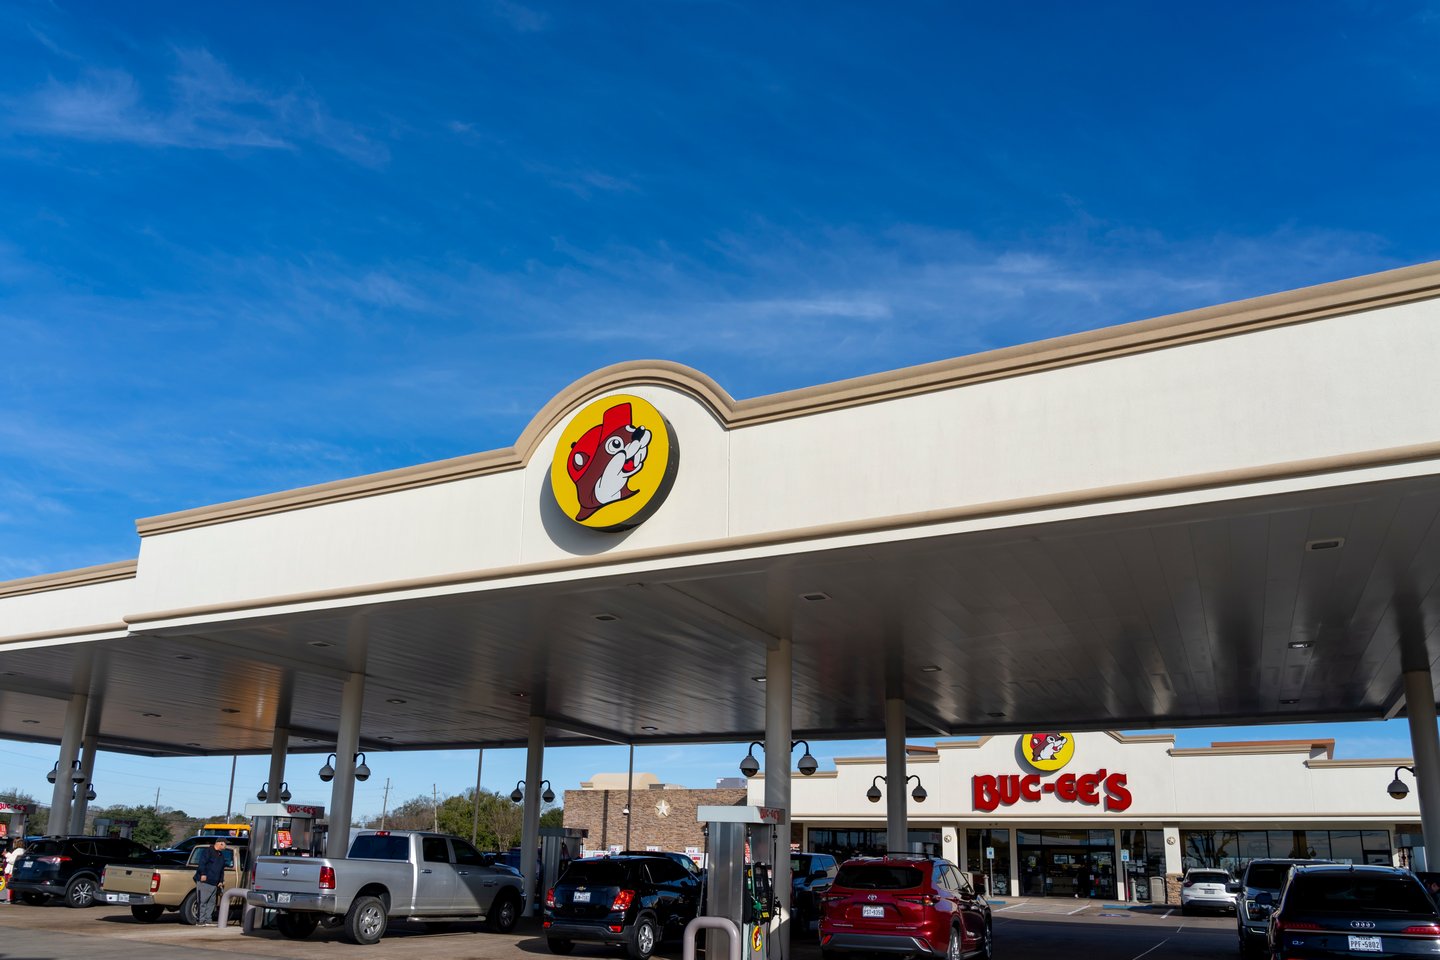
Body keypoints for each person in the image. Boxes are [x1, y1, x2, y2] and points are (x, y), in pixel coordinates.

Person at [192, 838, 227, 927]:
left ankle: (208, 920)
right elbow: (202, 863)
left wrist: (221, 880)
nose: (226, 846)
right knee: (203, 901)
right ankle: (200, 920)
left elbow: (222, 869)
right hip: (205, 881)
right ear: (219, 843)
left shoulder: (221, 855)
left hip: (214, 882)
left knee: (211, 902)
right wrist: (203, 874)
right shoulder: (208, 851)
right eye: (225, 844)